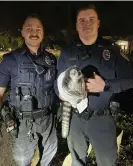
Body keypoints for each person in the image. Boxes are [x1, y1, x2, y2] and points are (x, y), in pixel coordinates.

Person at [55, 4, 133, 166]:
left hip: (102, 118)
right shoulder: (68, 52)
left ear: (98, 23)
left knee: (107, 162)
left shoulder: (112, 51)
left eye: (91, 19)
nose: (87, 24)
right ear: (76, 25)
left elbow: (130, 79)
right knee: (77, 162)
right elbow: (57, 84)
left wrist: (105, 86)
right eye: (82, 20)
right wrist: (63, 94)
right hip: (75, 119)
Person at [0, 13, 58, 166]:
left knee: (49, 155)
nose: (34, 32)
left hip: (48, 119)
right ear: (22, 32)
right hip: (22, 121)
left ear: (43, 33)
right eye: (29, 28)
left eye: (38, 29)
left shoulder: (51, 60)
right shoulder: (10, 60)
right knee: (22, 160)